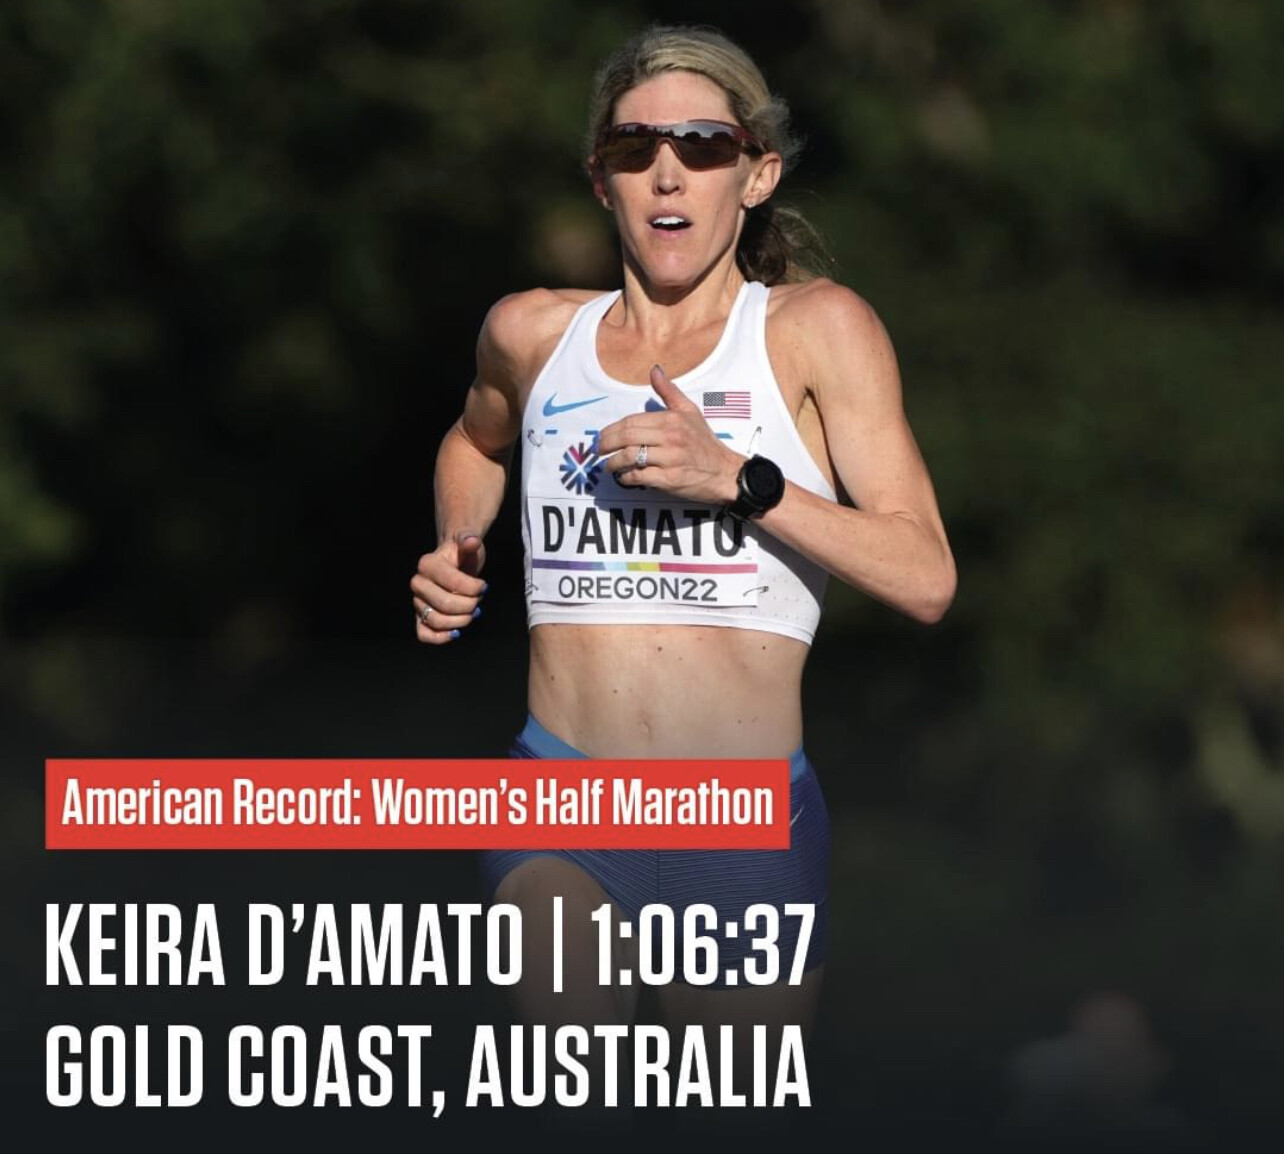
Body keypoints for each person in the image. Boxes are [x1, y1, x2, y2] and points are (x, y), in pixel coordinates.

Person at [410, 22, 955, 1113]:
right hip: (563, 794)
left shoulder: (816, 332)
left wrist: (740, 480)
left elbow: (925, 575)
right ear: (600, 178)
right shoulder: (531, 334)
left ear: (755, 176)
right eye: (636, 147)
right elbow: (474, 440)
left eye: (703, 146)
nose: (668, 172)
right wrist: (457, 546)